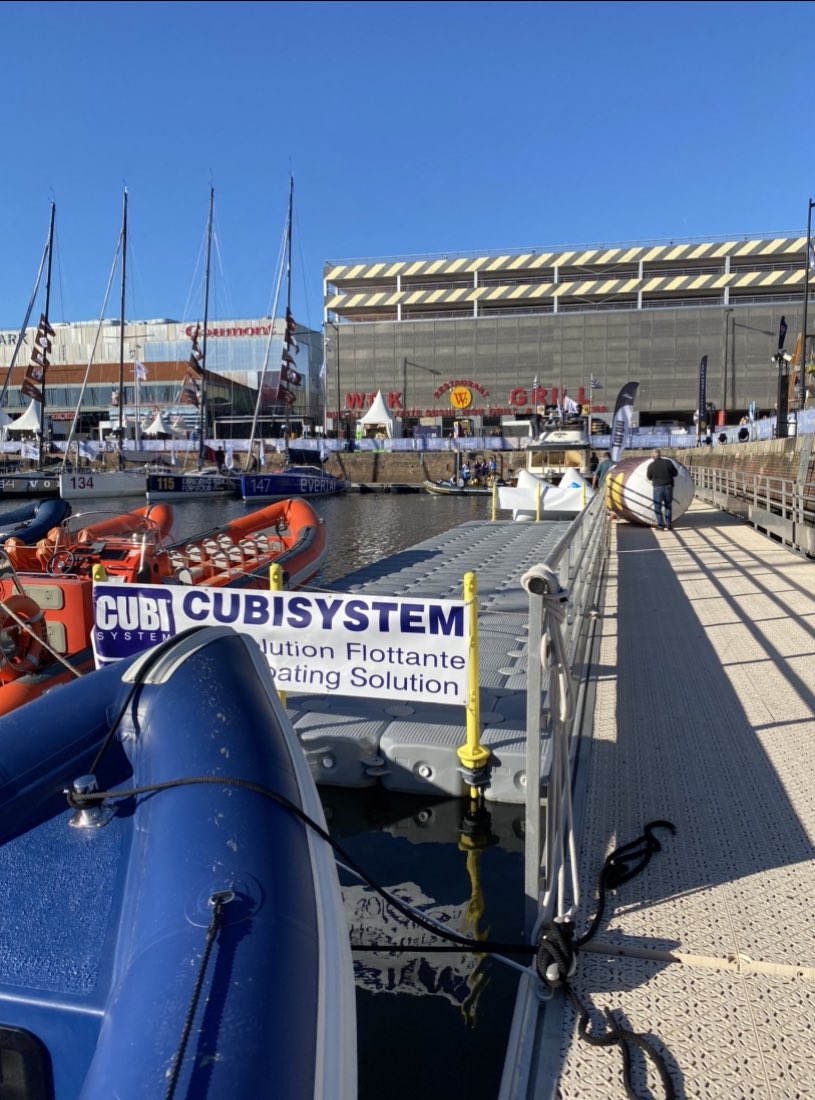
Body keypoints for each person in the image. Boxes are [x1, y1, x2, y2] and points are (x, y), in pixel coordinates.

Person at [646, 448, 677, 530]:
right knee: (668, 505)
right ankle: (668, 524)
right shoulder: (668, 462)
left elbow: (649, 477)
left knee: (657, 506)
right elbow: (675, 473)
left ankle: (661, 525)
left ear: (652, 456)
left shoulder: (651, 465)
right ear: (660, 455)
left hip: (658, 487)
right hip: (668, 486)